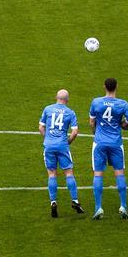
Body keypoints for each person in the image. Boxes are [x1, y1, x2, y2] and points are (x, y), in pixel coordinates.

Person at [89, 78, 128, 220]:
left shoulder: (96, 102)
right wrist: (123, 126)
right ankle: (123, 206)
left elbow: (92, 122)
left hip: (99, 142)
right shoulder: (122, 104)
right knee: (119, 174)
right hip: (116, 143)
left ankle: (98, 208)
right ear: (117, 87)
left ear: (104, 87)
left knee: (98, 174)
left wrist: (95, 133)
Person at [39, 89, 84, 218]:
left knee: (52, 174)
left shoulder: (47, 109)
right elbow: (75, 132)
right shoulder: (70, 112)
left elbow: (41, 127)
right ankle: (75, 200)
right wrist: (68, 142)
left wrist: (47, 139)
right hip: (62, 146)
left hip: (49, 146)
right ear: (67, 99)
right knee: (68, 172)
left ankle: (53, 202)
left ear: (56, 97)